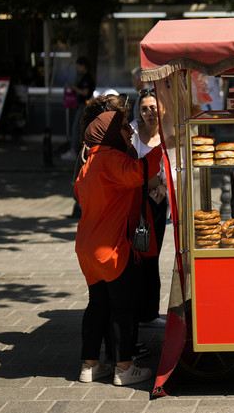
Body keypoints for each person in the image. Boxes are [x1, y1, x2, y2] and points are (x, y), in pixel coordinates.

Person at [74, 110, 162, 386]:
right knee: (123, 308)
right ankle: (124, 368)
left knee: (97, 304)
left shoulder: (89, 162)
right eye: (125, 128)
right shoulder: (111, 159)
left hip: (88, 246)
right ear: (110, 132)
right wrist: (164, 148)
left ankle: (90, 366)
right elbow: (139, 173)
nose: (130, 132)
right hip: (112, 246)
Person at [130, 88, 168, 329]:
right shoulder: (132, 131)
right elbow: (126, 163)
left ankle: (150, 312)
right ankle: (133, 309)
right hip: (134, 201)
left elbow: (175, 164)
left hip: (158, 202)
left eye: (153, 107)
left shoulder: (169, 132)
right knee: (135, 255)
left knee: (153, 256)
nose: (149, 112)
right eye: (144, 108)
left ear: (161, 109)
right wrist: (149, 181)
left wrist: (161, 184)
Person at [62, 57, 96, 161]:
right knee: (82, 128)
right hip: (84, 105)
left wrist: (74, 89)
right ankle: (81, 150)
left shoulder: (87, 78)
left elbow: (85, 92)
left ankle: (73, 150)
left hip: (84, 105)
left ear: (83, 66)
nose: (77, 68)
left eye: (79, 66)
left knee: (77, 127)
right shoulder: (85, 77)